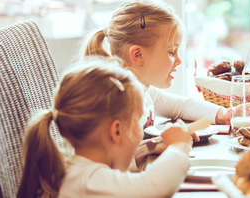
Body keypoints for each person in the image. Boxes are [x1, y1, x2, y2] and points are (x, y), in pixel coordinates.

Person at [17, 57, 193, 197]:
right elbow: (156, 187)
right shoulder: (89, 182)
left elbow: (118, 179)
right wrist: (179, 147)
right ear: (116, 130)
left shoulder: (78, 171)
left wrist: (149, 147)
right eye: (138, 120)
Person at [82, 0, 230, 128]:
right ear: (138, 55)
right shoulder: (117, 104)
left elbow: (181, 106)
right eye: (172, 52)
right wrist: (167, 144)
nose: (179, 61)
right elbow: (126, 159)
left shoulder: (142, 90)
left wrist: (224, 114)